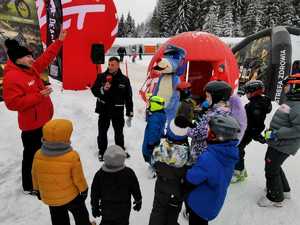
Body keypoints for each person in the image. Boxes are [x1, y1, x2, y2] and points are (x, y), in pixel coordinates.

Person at [2, 29, 67, 194]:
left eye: (31, 56)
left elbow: (46, 58)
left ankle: (40, 176)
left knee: (42, 152)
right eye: (28, 57)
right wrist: (39, 96)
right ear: (18, 59)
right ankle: (29, 185)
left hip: (43, 120)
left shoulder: (30, 68)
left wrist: (59, 41)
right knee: (31, 155)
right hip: (31, 126)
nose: (32, 59)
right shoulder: (12, 77)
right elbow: (12, 103)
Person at [31, 119, 94, 225]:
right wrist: (84, 190)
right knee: (80, 213)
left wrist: (37, 189)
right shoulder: (72, 156)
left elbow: (34, 174)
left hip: (51, 197)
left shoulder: (38, 154)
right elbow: (78, 177)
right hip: (71, 196)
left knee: (58, 218)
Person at [185, 115, 240, 225]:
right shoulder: (228, 153)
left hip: (199, 206)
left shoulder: (209, 158)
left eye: (210, 133)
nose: (207, 135)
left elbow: (190, 179)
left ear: (219, 137)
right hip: (213, 201)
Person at [257, 74, 300, 207]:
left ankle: (275, 197)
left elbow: (298, 129)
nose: (284, 88)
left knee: (271, 169)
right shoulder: (291, 101)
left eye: (287, 86)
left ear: (296, 87)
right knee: (274, 165)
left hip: (284, 144)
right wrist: (271, 133)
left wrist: (276, 134)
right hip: (278, 142)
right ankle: (284, 190)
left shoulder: (297, 105)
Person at [91, 57, 133, 161]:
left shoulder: (124, 79)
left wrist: (129, 112)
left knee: (119, 132)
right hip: (104, 109)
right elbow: (94, 91)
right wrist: (102, 89)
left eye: (112, 65)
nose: (110, 67)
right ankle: (102, 152)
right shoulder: (101, 77)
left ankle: (120, 151)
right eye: (109, 64)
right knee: (102, 132)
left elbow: (128, 97)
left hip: (117, 110)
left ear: (118, 65)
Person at [149, 119, 190, 225]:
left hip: (162, 184)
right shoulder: (187, 154)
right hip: (177, 188)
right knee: (173, 211)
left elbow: (153, 163)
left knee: (158, 209)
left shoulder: (159, 149)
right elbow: (189, 171)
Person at [91, 145, 142, 225]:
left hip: (107, 210)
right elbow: (135, 188)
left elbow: (94, 192)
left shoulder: (100, 175)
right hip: (123, 210)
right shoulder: (128, 173)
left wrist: (95, 206)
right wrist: (138, 200)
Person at [232, 80, 272, 183]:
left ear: (254, 92)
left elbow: (255, 123)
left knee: (238, 149)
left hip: (247, 132)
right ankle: (241, 169)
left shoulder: (256, 105)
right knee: (239, 149)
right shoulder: (257, 102)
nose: (246, 94)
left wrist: (256, 135)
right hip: (248, 131)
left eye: (248, 92)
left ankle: (238, 171)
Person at [142, 95, 167, 178]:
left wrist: (151, 143)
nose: (148, 105)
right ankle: (153, 164)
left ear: (155, 105)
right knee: (153, 153)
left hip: (151, 139)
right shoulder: (159, 113)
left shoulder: (155, 118)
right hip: (155, 138)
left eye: (150, 103)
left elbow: (153, 131)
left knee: (147, 152)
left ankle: (154, 169)